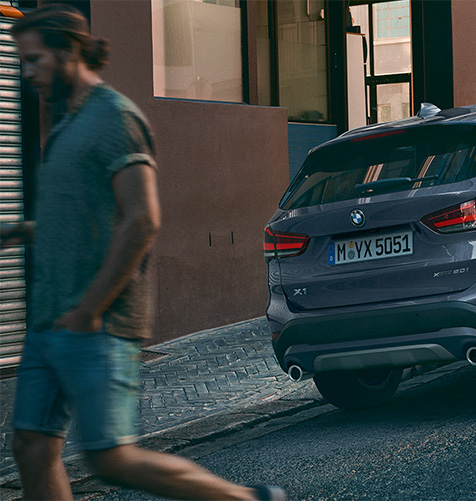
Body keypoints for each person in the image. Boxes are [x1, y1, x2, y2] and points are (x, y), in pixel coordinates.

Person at [2, 6, 285, 500]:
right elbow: (72, 219)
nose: (26, 73)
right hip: (51, 320)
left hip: (99, 321)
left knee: (112, 458)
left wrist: (90, 308)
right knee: (30, 447)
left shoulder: (113, 117)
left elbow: (142, 218)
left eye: (35, 60)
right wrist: (17, 230)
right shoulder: (65, 125)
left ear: (68, 52)